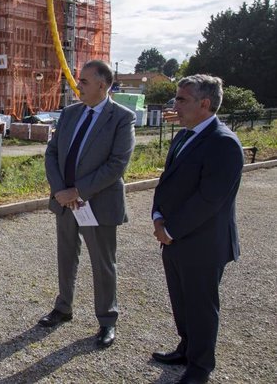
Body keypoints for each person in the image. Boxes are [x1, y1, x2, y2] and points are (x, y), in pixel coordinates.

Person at [151, 75, 243, 384]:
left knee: (201, 305)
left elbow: (209, 200)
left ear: (204, 104)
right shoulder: (184, 136)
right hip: (174, 237)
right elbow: (167, 182)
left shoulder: (223, 143)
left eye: (181, 99)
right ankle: (186, 348)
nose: (174, 105)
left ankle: (201, 366)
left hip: (203, 243)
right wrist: (158, 215)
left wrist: (171, 229)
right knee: (181, 300)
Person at [40, 60, 135, 348]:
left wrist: (77, 192)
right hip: (65, 202)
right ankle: (63, 307)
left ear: (102, 85)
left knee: (103, 263)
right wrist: (60, 191)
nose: (77, 85)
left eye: (83, 81)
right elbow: (52, 153)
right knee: (66, 256)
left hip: (97, 203)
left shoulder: (121, 118)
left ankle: (107, 320)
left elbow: (117, 165)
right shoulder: (70, 114)